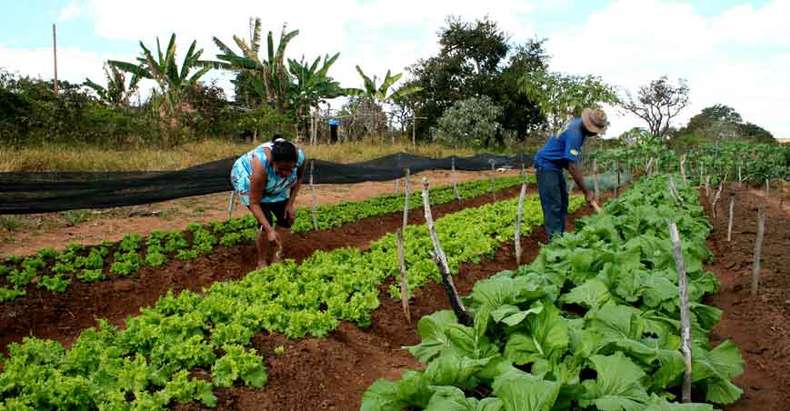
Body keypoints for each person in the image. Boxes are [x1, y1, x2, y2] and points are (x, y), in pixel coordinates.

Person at [533, 108, 608, 239]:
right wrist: (587, 192)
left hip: (556, 166)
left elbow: (569, 162)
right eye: (595, 131)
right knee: (553, 206)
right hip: (546, 165)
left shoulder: (576, 124)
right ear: (589, 127)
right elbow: (572, 166)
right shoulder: (576, 134)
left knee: (563, 203)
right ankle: (555, 244)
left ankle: (559, 237)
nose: (595, 134)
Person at [231, 137, 306, 267]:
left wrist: (290, 204)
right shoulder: (261, 166)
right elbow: (254, 203)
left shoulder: (300, 158)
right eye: (281, 169)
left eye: (290, 169)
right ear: (273, 162)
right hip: (247, 178)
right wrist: (270, 230)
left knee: (287, 218)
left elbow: (298, 179)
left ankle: (277, 255)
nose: (286, 173)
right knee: (265, 221)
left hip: (272, 181)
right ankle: (261, 260)